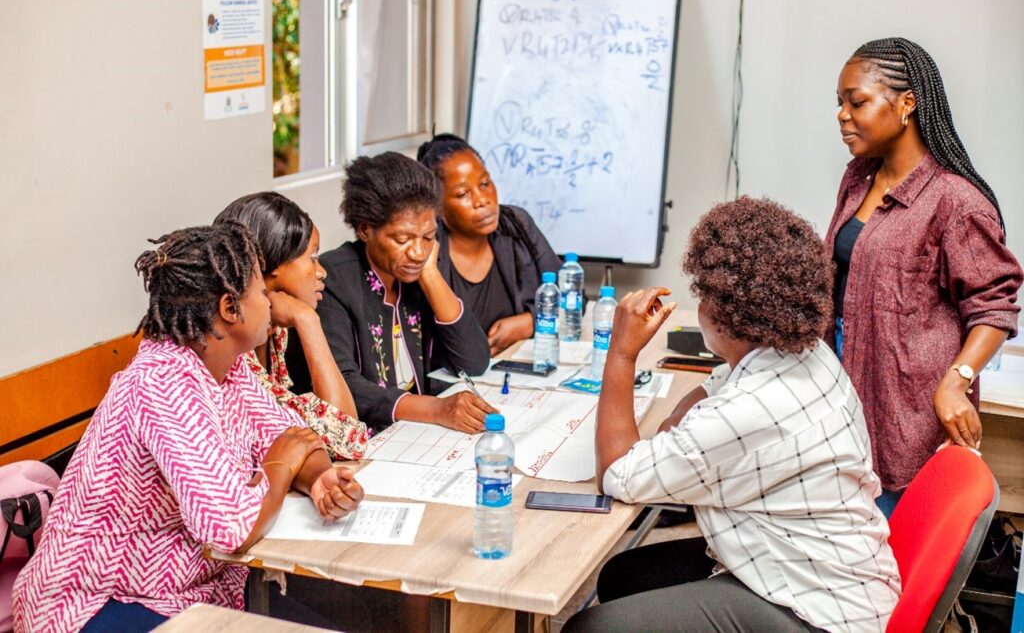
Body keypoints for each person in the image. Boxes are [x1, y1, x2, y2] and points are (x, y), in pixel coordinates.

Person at [565, 197, 901, 633]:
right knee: (623, 577)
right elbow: (706, 395)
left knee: (589, 629)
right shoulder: (802, 352)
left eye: (703, 296)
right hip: (822, 570)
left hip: (819, 616)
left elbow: (616, 473)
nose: (699, 306)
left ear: (724, 316)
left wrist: (622, 354)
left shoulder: (749, 409)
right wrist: (681, 434)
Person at [12, 224, 363, 633]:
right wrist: (282, 463)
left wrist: (319, 477)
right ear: (231, 309)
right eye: (261, 293)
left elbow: (292, 434)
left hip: (191, 588)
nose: (270, 303)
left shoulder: (230, 369)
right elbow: (229, 528)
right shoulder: (162, 384)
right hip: (95, 603)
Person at [829, 37, 1022, 516]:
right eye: (839, 103)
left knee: (890, 571)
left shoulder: (955, 201)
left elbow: (993, 306)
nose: (842, 115)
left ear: (907, 103)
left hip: (907, 416)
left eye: (857, 102)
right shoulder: (857, 179)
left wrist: (957, 380)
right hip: (840, 396)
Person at [287, 152, 493, 434]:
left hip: (416, 436)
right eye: (402, 239)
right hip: (363, 443)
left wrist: (430, 275)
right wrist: (437, 409)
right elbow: (344, 384)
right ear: (365, 230)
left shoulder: (416, 271)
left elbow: (474, 361)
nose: (419, 252)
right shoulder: (333, 279)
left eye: (428, 237)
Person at [215, 192, 368, 461]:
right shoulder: (232, 350)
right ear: (271, 264)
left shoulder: (276, 332)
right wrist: (308, 320)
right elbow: (346, 438)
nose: (322, 271)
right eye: (312, 257)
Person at [417, 133, 561, 356]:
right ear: (438, 207)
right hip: (453, 382)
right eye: (463, 193)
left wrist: (530, 322)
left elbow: (573, 298)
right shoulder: (427, 251)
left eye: (485, 183)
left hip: (517, 371)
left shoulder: (515, 224)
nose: (482, 200)